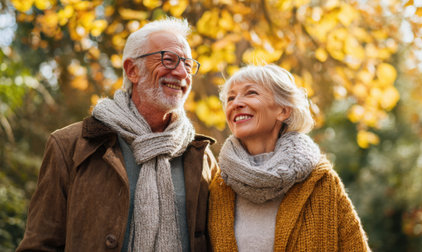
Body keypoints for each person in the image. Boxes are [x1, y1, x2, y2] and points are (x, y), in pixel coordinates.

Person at [16, 17, 217, 252]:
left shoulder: (201, 157)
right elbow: (40, 245)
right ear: (132, 70)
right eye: (169, 60)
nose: (182, 73)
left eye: (188, 65)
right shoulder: (70, 145)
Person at [208, 64, 370, 251]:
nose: (236, 103)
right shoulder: (219, 187)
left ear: (283, 110)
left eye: (251, 93)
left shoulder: (320, 182)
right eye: (230, 98)